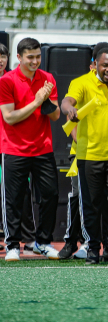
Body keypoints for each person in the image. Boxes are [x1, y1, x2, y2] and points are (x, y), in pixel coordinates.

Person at [60, 43, 108, 264]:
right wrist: (70, 110)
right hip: (88, 155)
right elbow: (67, 101)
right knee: (92, 203)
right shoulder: (81, 83)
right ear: (94, 65)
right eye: (104, 65)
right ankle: (93, 247)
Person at [0, 37, 61, 261]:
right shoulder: (7, 81)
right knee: (14, 199)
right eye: (30, 57)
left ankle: (42, 242)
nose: (35, 61)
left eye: (38, 56)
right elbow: (9, 118)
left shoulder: (48, 78)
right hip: (14, 149)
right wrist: (36, 102)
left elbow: (55, 115)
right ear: (19, 58)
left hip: (43, 148)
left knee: (50, 195)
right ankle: (13, 245)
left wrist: (45, 100)